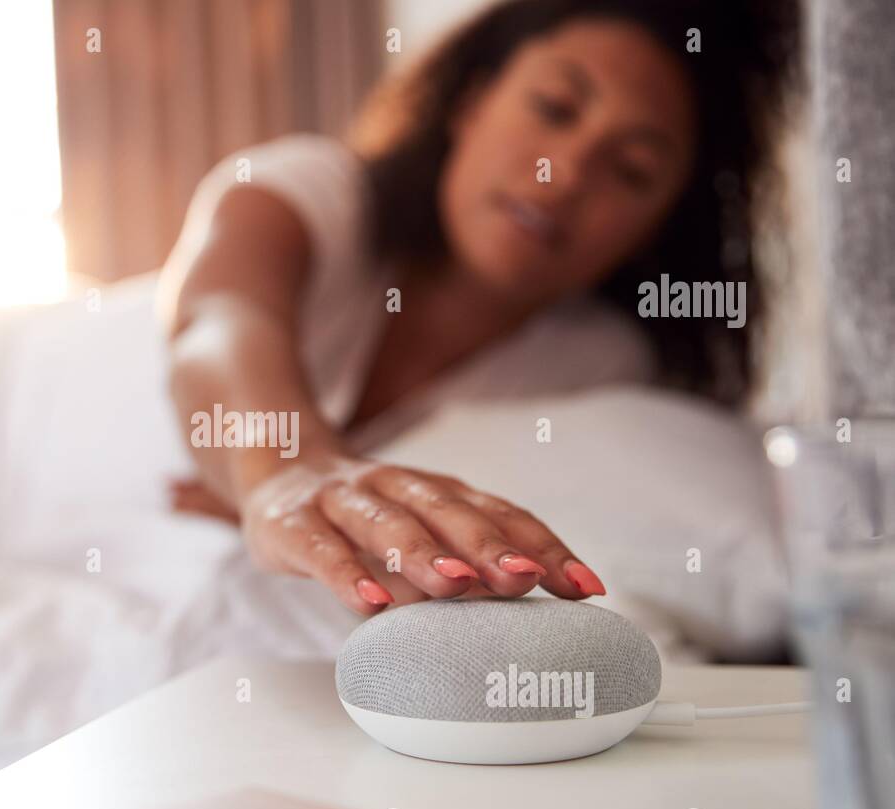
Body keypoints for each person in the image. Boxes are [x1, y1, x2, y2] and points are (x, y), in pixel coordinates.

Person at [157, 0, 797, 616]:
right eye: (554, 108)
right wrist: (286, 475)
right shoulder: (309, 194)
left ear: (658, 227)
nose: (566, 172)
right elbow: (219, 321)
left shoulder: (600, 368)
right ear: (472, 102)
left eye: (630, 170)